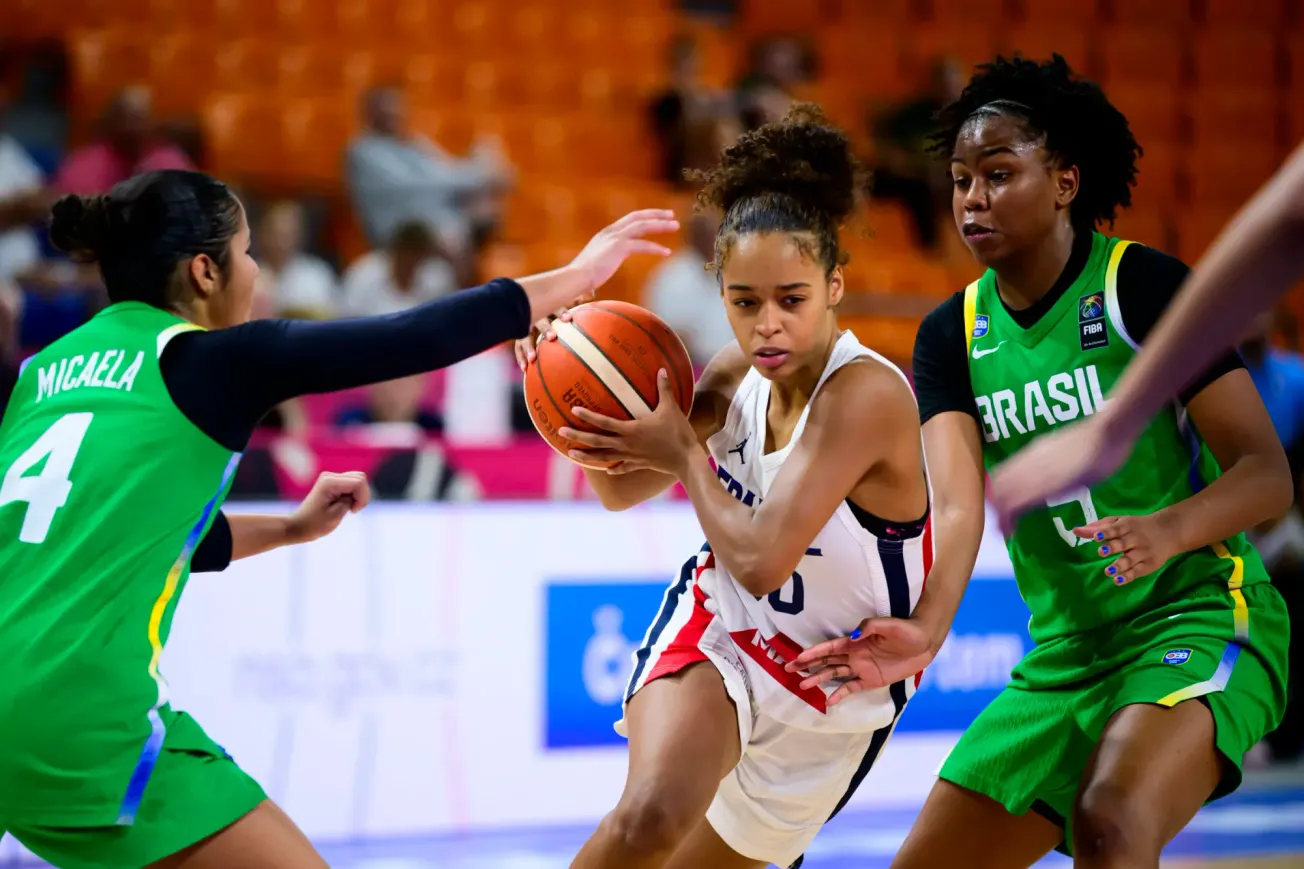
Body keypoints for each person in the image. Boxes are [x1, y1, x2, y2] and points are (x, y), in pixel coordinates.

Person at [0, 168, 676, 869]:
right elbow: (408, 338)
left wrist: (291, 529)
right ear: (205, 271)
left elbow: (113, 540)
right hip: (77, 717)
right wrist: (574, 277)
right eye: (248, 251)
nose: (256, 271)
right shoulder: (209, 360)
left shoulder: (40, 372)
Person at [789, 56, 1291, 868]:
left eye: (997, 172)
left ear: (1064, 181)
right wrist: (925, 629)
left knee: (1111, 817)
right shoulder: (950, 334)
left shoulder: (1142, 285)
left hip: (1199, 615)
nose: (972, 199)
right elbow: (956, 508)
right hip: (1065, 654)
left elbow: (1267, 473)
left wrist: (1169, 531)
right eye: (958, 180)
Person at [522, 105, 932, 869]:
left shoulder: (865, 397)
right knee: (648, 816)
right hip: (725, 630)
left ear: (835, 285)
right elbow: (621, 490)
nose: (767, 325)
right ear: (722, 295)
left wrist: (685, 454)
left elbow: (763, 555)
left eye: (791, 298)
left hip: (833, 690)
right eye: (745, 302)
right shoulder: (732, 373)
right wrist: (562, 386)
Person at [987, 138, 1304, 528]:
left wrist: (1109, 429)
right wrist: (1111, 427)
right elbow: (1289, 220)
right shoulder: (1177, 371)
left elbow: (1289, 221)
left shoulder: (1295, 379)